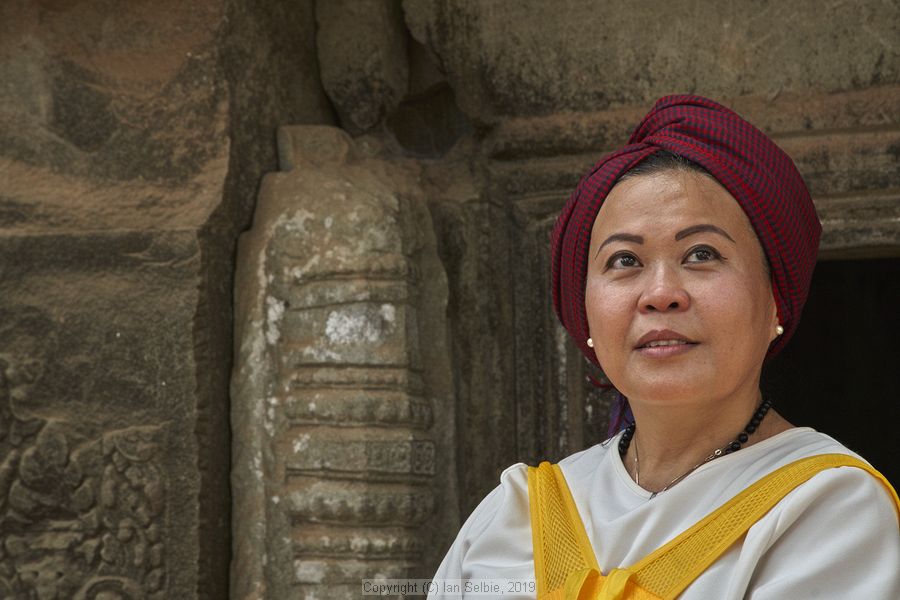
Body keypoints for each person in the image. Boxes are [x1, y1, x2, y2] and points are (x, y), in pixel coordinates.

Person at [429, 95, 900, 599]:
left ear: (774, 305)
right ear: (585, 315)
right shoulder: (516, 510)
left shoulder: (826, 508)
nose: (659, 294)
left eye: (701, 254)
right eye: (624, 260)